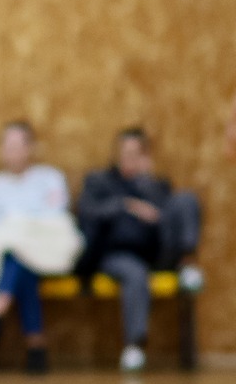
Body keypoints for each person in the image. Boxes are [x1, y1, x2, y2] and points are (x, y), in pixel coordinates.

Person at [75, 128, 202, 371]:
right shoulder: (100, 182)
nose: (130, 159)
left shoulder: (154, 184)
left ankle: (187, 264)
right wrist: (126, 205)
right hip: (117, 254)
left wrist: (145, 185)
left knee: (187, 199)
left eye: (136, 154)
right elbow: (88, 212)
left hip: (155, 252)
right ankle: (135, 346)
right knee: (135, 273)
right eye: (126, 153)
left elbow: (168, 220)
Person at [0, 121, 80, 374]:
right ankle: (35, 345)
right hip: (10, 254)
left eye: (16, 145)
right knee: (20, 262)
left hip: (45, 247)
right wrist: (17, 230)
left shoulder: (50, 178)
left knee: (20, 255)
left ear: (30, 148)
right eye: (6, 146)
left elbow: (55, 217)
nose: (11, 152)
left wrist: (18, 225)